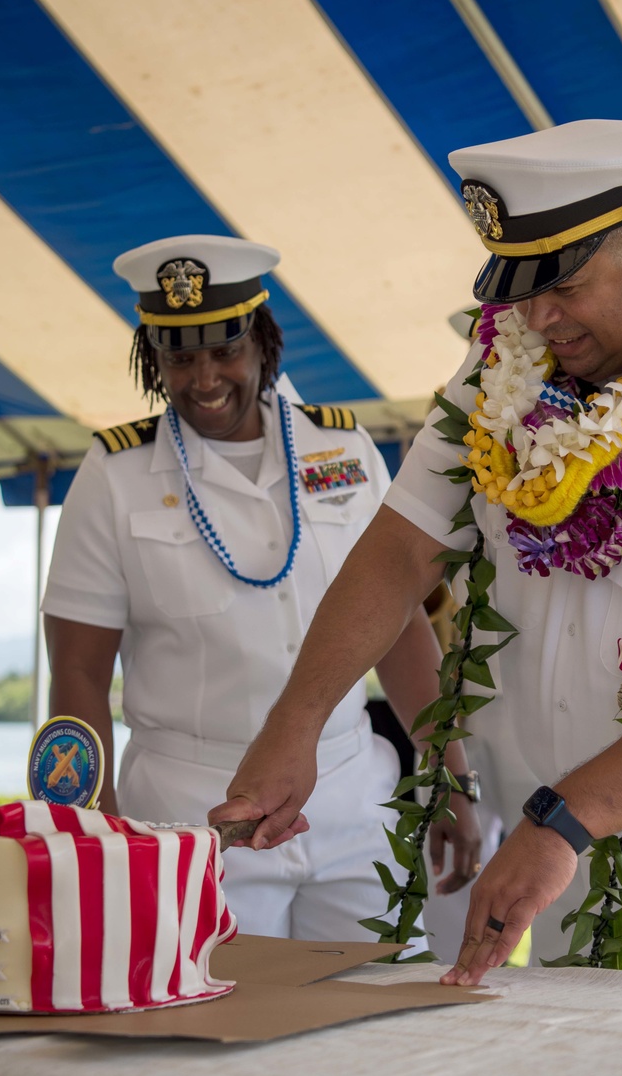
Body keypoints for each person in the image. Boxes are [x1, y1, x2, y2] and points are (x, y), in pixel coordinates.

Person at [209, 122, 622, 990]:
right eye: (516, 288)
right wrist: (292, 727)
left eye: (562, 283)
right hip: (556, 838)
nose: (535, 317)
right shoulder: (501, 373)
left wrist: (565, 823)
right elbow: (400, 552)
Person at [43, 234, 480, 939]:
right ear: (153, 359)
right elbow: (78, 671)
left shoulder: (342, 448)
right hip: (193, 815)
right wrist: (91, 827)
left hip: (351, 797)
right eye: (179, 357)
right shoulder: (114, 474)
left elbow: (399, 625)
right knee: (222, 1029)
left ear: (264, 340)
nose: (204, 378)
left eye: (225, 351)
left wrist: (449, 776)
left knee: (381, 1017)